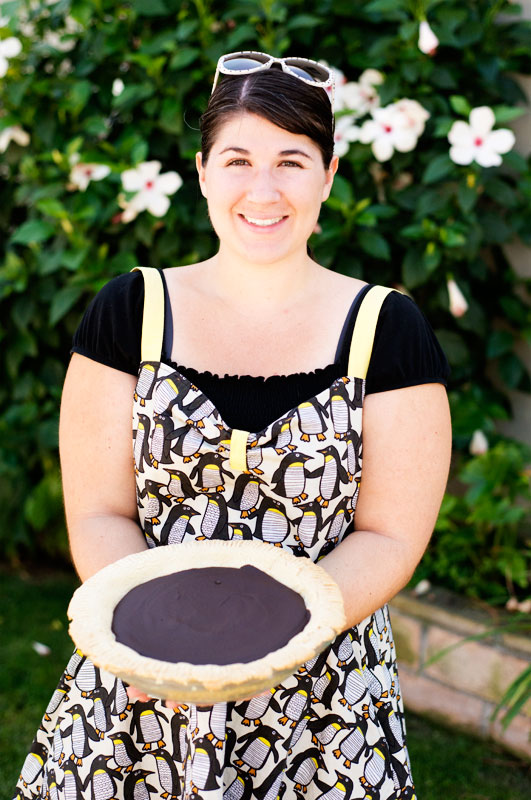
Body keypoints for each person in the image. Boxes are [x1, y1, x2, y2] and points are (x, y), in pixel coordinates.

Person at [14, 51, 452, 799]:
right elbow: (98, 513)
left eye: (291, 161)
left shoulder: (389, 330)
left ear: (329, 176)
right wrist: (158, 649)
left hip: (322, 702)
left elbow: (389, 536)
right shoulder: (130, 312)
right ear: (202, 172)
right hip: (142, 688)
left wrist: (268, 648)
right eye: (238, 160)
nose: (263, 189)